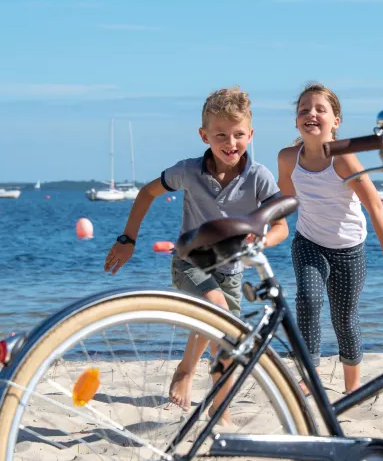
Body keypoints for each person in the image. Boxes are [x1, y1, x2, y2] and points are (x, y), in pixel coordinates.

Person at [104, 86, 289, 421]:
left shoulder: (259, 177)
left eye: (238, 134)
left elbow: (281, 228)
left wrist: (259, 241)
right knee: (217, 314)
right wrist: (127, 239)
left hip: (232, 272)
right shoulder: (188, 171)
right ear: (204, 136)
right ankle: (219, 410)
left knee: (226, 336)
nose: (230, 143)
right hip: (190, 262)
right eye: (221, 135)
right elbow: (147, 193)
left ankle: (192, 376)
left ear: (250, 135)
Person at [277, 82, 383, 395]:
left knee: (344, 318)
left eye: (320, 109)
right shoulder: (287, 158)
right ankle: (310, 375)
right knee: (308, 300)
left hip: (349, 250)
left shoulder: (344, 159)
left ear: (335, 121)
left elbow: (375, 206)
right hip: (308, 243)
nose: (311, 114)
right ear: (296, 121)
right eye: (304, 110)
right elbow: (283, 201)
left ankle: (353, 387)